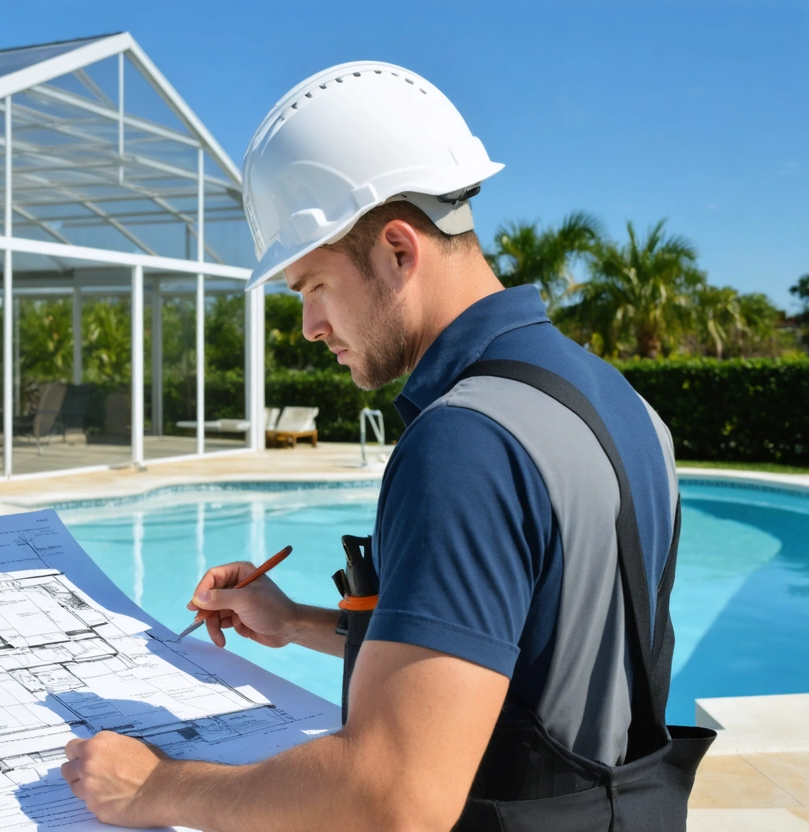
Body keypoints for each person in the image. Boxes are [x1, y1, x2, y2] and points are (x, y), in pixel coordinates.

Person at [60, 62, 713, 831]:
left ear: (398, 250)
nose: (308, 326)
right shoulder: (620, 403)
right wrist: (297, 621)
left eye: (313, 287)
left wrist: (154, 789)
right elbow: (510, 660)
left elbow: (392, 795)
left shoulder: (467, 442)